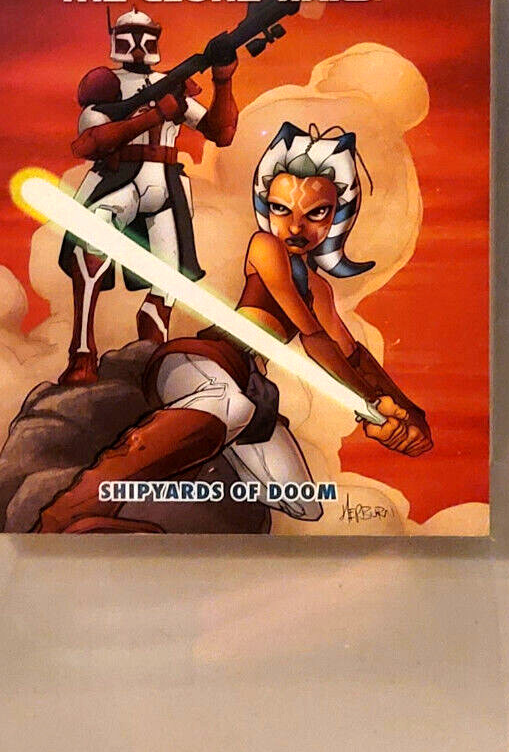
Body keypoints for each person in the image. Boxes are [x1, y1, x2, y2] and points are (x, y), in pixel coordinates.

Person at [37, 122, 432, 534]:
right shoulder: (266, 246)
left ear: (338, 215)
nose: (296, 227)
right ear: (265, 206)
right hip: (201, 363)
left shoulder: (320, 289)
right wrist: (369, 404)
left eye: (316, 213)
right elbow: (314, 338)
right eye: (281, 209)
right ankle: (69, 511)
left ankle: (154, 515)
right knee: (230, 407)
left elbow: (352, 356)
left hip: (251, 389)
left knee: (303, 502)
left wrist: (408, 414)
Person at [57, 8, 237, 386]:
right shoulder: (106, 84)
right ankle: (82, 353)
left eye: (146, 37)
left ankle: (155, 348)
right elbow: (91, 141)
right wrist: (154, 115)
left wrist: (223, 79)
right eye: (131, 37)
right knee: (90, 248)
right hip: (117, 178)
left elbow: (221, 132)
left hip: (165, 182)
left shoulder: (169, 83)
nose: (139, 46)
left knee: (170, 276)